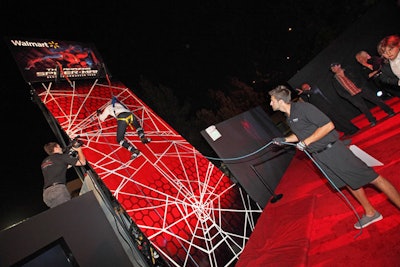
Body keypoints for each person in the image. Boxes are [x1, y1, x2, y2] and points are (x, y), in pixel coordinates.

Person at [269, 85, 400, 229]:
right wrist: (285, 140)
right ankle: (371, 213)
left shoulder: (303, 108)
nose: (270, 103)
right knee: (350, 182)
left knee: (374, 179)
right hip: (322, 157)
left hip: (334, 151)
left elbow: (328, 125)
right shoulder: (289, 117)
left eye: (272, 100)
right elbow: (301, 134)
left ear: (280, 101)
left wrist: (307, 142)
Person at [330, 62, 395, 126]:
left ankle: (389, 111)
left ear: (339, 65)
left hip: (362, 89)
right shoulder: (335, 79)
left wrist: (362, 86)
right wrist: (348, 97)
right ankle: (372, 120)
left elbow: (360, 76)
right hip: (353, 95)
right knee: (363, 108)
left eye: (334, 66)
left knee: (376, 100)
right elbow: (340, 91)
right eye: (332, 68)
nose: (333, 69)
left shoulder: (349, 69)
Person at [41, 140, 86, 208]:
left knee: (61, 214)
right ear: (56, 148)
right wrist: (79, 150)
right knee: (68, 211)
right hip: (57, 190)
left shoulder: (44, 162)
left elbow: (64, 167)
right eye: (59, 147)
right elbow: (82, 162)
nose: (61, 148)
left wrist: (72, 156)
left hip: (46, 194)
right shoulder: (61, 157)